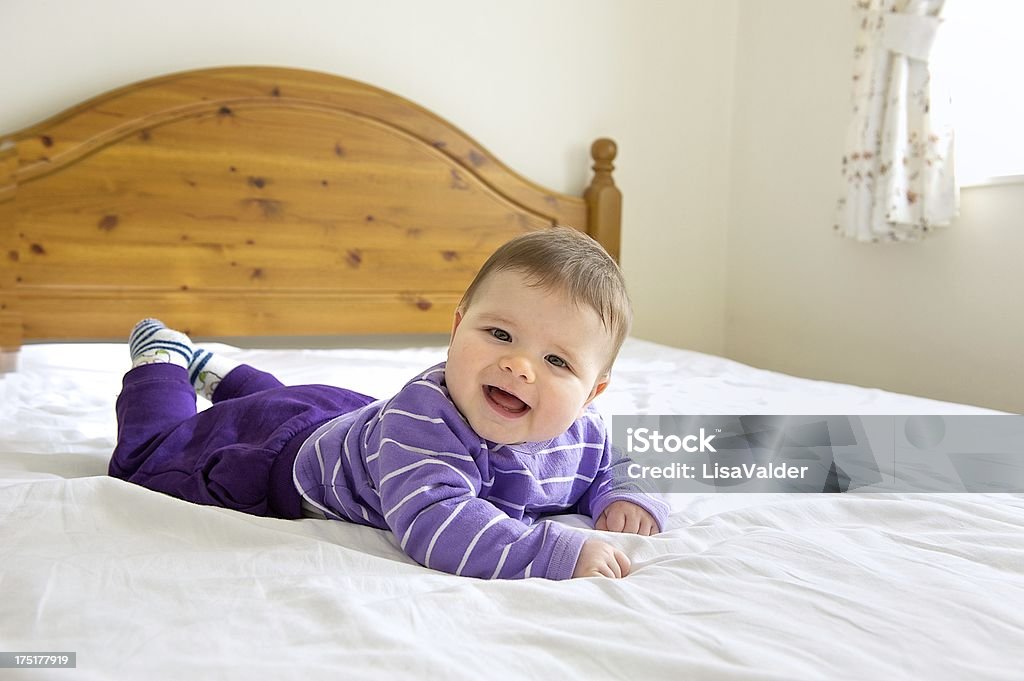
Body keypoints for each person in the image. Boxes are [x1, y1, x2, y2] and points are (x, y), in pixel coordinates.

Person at [110, 226, 668, 580]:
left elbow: (612, 462)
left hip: (345, 417)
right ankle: (162, 359)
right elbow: (437, 522)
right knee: (150, 460)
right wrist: (553, 554)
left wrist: (627, 494)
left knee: (282, 401)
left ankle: (223, 372)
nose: (520, 366)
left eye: (557, 362)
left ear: (592, 392)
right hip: (278, 458)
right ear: (457, 328)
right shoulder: (420, 421)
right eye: (499, 334)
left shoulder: (580, 432)